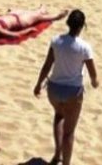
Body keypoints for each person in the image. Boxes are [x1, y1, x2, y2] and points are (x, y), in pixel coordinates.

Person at [33, 9, 97, 165]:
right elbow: (93, 73)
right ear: (82, 26)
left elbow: (47, 65)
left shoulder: (56, 41)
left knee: (59, 116)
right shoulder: (84, 47)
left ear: (68, 24)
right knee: (69, 133)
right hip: (72, 93)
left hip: (54, 89)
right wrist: (95, 82)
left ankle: (57, 155)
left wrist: (38, 84)